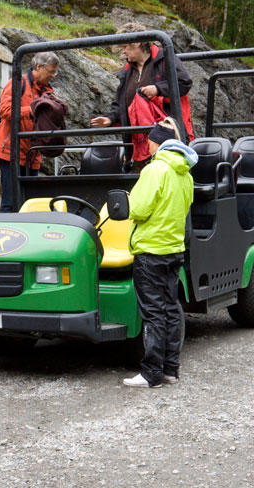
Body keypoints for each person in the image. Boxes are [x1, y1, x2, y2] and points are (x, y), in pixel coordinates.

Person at [122, 118, 197, 388]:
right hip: (174, 250)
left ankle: (151, 373)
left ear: (156, 142)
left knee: (152, 313)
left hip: (150, 251)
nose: (148, 144)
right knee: (170, 310)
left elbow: (138, 210)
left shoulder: (154, 171)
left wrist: (131, 201)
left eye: (150, 140)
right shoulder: (185, 174)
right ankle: (170, 370)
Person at [90, 22, 193, 168]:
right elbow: (122, 104)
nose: (123, 52)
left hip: (166, 139)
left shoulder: (165, 58)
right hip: (138, 144)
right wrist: (110, 119)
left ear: (137, 43)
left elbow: (184, 82)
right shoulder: (127, 70)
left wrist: (158, 89)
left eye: (125, 47)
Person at [0, 51, 60, 212]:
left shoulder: (47, 91)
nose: (53, 75)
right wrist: (31, 110)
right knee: (10, 203)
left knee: (29, 205)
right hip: (11, 152)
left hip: (32, 154)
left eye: (55, 72)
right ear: (38, 67)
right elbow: (5, 111)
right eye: (51, 71)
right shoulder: (18, 82)